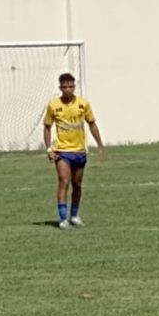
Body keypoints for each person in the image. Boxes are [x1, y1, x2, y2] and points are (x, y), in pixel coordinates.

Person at [43, 73, 104, 229]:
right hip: (62, 151)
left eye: (70, 86)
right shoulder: (53, 105)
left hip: (79, 151)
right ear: (60, 88)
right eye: (64, 87)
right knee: (64, 181)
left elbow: (91, 124)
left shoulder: (83, 104)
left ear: (74, 86)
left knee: (77, 184)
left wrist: (99, 144)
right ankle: (63, 219)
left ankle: (74, 215)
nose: (68, 89)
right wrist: (49, 149)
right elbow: (47, 127)